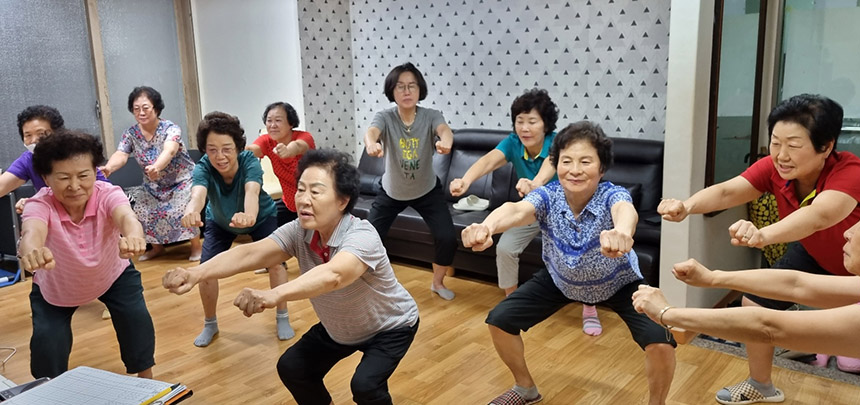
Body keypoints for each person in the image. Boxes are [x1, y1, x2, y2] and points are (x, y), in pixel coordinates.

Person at [657, 94, 860, 403]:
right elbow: (728, 191)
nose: (781, 155)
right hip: (816, 254)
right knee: (756, 302)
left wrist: (762, 235)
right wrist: (687, 206)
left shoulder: (852, 172)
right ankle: (760, 384)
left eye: (794, 145)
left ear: (826, 146)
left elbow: (819, 216)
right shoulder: (774, 169)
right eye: (775, 142)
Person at [163, 149, 419, 404]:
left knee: (365, 385)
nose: (304, 200)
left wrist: (273, 294)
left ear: (342, 201)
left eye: (315, 192)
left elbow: (334, 275)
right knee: (293, 367)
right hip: (342, 327)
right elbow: (251, 253)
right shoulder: (299, 231)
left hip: (390, 325)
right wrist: (196, 273)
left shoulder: (363, 235)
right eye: (300, 189)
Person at [633, 176, 860, 405]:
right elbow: (797, 284)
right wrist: (713, 278)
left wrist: (667, 313)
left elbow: (769, 327)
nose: (847, 232)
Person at [462, 121, 676, 405]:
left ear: (601, 168)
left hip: (620, 282)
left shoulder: (612, 194)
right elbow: (515, 210)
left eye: (585, 162)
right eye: (566, 161)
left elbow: (625, 211)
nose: (575, 170)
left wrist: (623, 232)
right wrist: (486, 227)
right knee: (499, 321)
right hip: (560, 279)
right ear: (556, 165)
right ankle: (525, 388)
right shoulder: (548, 195)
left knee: (661, 342)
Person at [449, 89, 604, 337]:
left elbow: (550, 164)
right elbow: (489, 160)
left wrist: (536, 184)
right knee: (505, 248)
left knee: (582, 252)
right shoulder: (513, 143)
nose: (525, 128)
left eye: (532, 121)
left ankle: (589, 307)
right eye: (520, 121)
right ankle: (512, 301)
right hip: (532, 210)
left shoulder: (558, 143)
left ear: (546, 125)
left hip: (567, 210)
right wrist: (465, 180)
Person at [18, 130, 154, 379]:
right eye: (63, 178)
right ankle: (47, 391)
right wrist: (32, 251)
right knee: (47, 342)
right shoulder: (40, 203)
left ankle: (149, 384)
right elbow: (32, 232)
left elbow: (126, 216)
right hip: (57, 286)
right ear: (46, 178)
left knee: (136, 320)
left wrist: (134, 235)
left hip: (112, 274)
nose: (74, 186)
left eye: (83, 175)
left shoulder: (107, 193)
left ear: (95, 172)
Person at [181, 111, 293, 347]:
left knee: (276, 263)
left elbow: (252, 191)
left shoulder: (249, 161)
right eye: (212, 149)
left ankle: (282, 316)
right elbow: (198, 194)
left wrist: (249, 215)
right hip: (219, 221)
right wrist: (191, 211)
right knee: (206, 271)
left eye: (227, 149)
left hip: (261, 217)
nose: (220, 156)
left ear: (238, 147)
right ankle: (210, 323)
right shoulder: (203, 167)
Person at [363, 62, 457, 300]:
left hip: (426, 189)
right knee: (369, 238)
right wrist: (371, 144)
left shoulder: (430, 115)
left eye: (412, 86)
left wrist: (446, 141)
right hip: (392, 191)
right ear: (392, 91)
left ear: (419, 89)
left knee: (447, 237)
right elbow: (372, 132)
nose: (406, 91)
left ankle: (437, 283)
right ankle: (373, 283)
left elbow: (444, 130)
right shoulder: (385, 117)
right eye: (400, 86)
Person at [101, 86, 201, 261]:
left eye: (145, 108)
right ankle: (157, 248)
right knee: (141, 208)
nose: (141, 112)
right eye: (136, 109)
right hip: (153, 185)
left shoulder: (170, 128)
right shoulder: (131, 134)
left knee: (182, 207)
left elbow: (170, 150)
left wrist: (157, 167)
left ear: (156, 108)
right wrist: (109, 168)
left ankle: (196, 247)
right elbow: (122, 154)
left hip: (182, 180)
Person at [1, 105, 108, 213]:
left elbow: (107, 197)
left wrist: (38, 203)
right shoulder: (28, 159)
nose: (34, 140)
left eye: (41, 134)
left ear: (57, 133)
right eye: (28, 135)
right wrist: (35, 204)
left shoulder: (78, 155)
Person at [246, 101, 316, 227]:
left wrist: (288, 151)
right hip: (289, 204)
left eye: (278, 120)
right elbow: (252, 150)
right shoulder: (267, 140)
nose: (272, 125)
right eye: (269, 121)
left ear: (291, 123)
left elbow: (298, 146)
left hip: (313, 203)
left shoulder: (304, 137)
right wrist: (235, 149)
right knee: (264, 223)